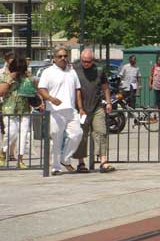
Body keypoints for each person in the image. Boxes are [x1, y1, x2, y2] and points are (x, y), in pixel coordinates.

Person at [37, 47, 84, 175]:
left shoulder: (72, 72)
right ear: (54, 58)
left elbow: (77, 90)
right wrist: (50, 99)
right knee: (56, 139)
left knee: (77, 134)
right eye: (60, 56)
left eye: (65, 56)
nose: (63, 58)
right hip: (55, 111)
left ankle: (65, 158)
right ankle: (56, 167)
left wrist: (80, 108)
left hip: (71, 110)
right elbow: (41, 89)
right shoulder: (48, 72)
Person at [74, 49, 114, 173]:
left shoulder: (99, 70)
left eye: (89, 61)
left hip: (97, 106)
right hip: (81, 108)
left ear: (93, 60)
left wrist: (108, 102)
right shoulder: (74, 70)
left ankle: (103, 161)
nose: (86, 63)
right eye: (84, 61)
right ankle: (81, 163)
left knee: (101, 132)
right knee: (82, 135)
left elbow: (105, 86)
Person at [0, 57, 36, 168]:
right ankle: (3, 152)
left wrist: (31, 79)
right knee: (12, 132)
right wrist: (10, 79)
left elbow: (35, 90)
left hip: (24, 109)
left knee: (24, 134)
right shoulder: (6, 76)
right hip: (9, 109)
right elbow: (1, 92)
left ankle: (20, 159)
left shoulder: (27, 78)